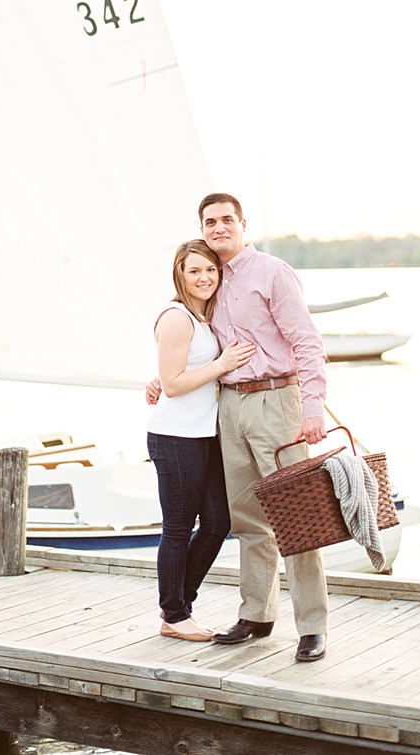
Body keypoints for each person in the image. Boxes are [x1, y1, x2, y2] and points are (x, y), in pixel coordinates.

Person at [146, 194, 330, 662]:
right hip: (228, 406)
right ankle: (257, 614)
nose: (219, 227)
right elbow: (194, 348)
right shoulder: (210, 279)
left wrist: (313, 408)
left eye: (227, 219)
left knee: (296, 516)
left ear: (243, 224)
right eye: (210, 221)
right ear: (202, 228)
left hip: (276, 403)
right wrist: (159, 377)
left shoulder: (272, 272)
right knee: (247, 520)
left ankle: (311, 626)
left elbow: (306, 341)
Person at [147, 239, 256, 643]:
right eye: (194, 270)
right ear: (180, 274)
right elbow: (174, 385)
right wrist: (222, 364)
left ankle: (178, 603)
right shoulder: (176, 316)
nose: (204, 277)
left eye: (210, 269)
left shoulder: (204, 317)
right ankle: (174, 614)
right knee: (177, 528)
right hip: (175, 437)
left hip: (204, 436)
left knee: (217, 522)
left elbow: (173, 372)